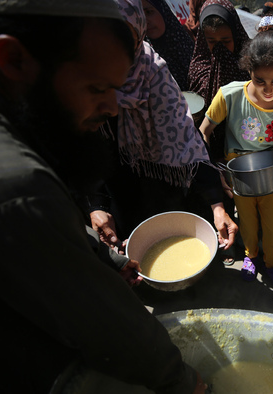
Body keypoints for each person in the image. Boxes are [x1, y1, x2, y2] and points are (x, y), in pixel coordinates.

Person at [0, 1, 205, 393]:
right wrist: (187, 383)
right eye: (97, 88)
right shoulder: (17, 186)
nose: (112, 106)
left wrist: (97, 256)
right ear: (14, 58)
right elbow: (111, 329)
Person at [85, 0, 236, 253]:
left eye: (125, 38)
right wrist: (95, 204)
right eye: (106, 37)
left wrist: (217, 204)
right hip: (117, 189)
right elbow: (83, 148)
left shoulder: (153, 72)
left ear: (138, 30)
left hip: (163, 184)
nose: (115, 52)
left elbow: (186, 138)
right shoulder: (82, 76)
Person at [199, 31, 273, 282]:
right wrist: (216, 172)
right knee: (246, 222)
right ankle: (250, 256)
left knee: (272, 226)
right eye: (260, 80)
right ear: (248, 70)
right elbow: (203, 131)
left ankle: (272, 263)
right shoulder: (229, 95)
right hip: (240, 176)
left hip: (272, 175)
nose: (268, 89)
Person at [188, 0, 251, 111]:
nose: (220, 49)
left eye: (226, 41)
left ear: (235, 35)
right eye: (212, 41)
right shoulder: (198, 69)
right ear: (203, 39)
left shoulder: (250, 63)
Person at [142, 0, 194, 92]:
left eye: (149, 12)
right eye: (141, 15)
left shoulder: (186, 45)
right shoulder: (143, 58)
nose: (146, 20)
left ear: (163, 11)